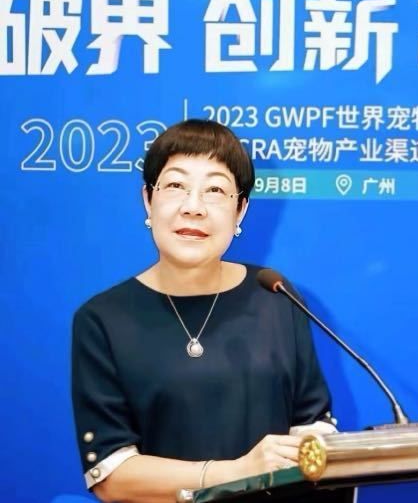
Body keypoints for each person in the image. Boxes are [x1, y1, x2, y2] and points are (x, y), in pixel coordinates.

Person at [71, 119, 337, 503]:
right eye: (176, 186)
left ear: (240, 210)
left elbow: (313, 427)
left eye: (215, 190)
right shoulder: (102, 320)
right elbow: (111, 475)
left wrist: (316, 446)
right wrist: (236, 473)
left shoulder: (276, 296)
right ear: (148, 200)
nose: (193, 208)